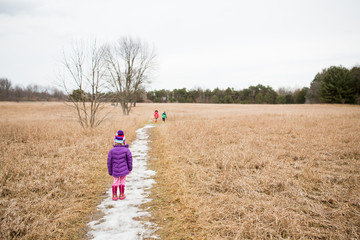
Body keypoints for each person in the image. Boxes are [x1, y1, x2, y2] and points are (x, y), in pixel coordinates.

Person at [107, 130, 133, 201]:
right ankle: (121, 195)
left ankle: (114, 195)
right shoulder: (126, 150)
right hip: (124, 170)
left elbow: (109, 162)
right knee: (122, 181)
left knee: (115, 181)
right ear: (123, 141)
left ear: (115, 141)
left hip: (115, 170)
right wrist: (130, 169)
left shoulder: (111, 151)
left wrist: (110, 171)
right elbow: (130, 160)